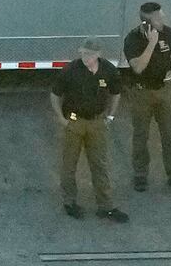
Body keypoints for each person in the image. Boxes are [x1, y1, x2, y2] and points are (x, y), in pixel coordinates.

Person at [49, 40, 127, 222]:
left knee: (100, 164)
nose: (86, 58)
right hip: (74, 122)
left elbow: (116, 92)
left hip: (97, 122)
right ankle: (69, 202)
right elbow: (55, 94)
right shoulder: (70, 70)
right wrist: (61, 118)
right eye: (84, 53)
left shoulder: (108, 70)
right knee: (69, 164)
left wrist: (111, 116)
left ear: (98, 54)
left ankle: (106, 206)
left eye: (90, 54)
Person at [123, 1, 171, 193]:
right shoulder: (133, 39)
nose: (164, 19)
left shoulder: (168, 33)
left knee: (170, 134)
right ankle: (140, 175)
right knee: (141, 136)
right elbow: (138, 67)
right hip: (141, 93)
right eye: (159, 17)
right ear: (148, 22)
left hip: (164, 91)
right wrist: (152, 43)